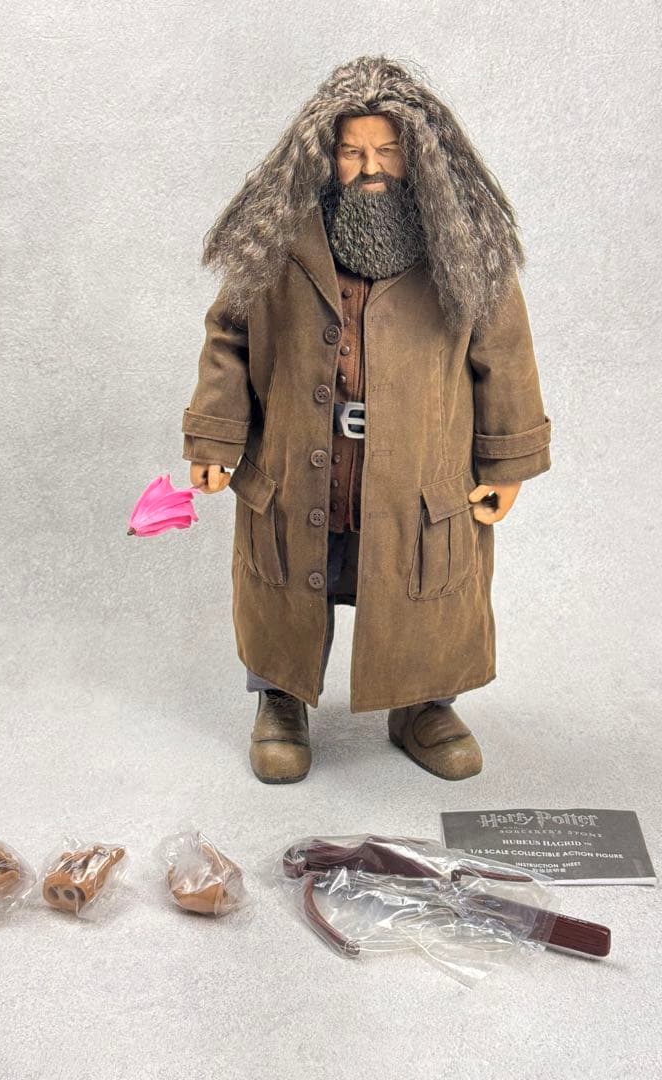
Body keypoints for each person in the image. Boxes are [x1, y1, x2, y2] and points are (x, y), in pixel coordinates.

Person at [181, 56, 551, 785]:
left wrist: (506, 465)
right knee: (285, 581)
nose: (370, 167)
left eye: (387, 150)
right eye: (352, 151)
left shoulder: (465, 243)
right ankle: (280, 698)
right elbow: (230, 335)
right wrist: (216, 437)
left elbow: (504, 353)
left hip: (416, 470)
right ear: (326, 155)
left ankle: (423, 704)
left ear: (420, 154)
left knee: (420, 584)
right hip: (299, 462)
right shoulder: (276, 234)